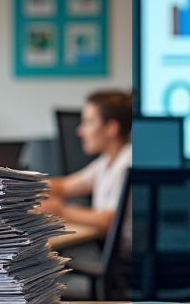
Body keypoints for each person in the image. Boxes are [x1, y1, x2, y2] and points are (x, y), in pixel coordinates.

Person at [39, 90, 132, 231]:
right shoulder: (106, 162)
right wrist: (25, 188)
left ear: (111, 128)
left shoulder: (128, 162)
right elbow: (64, 186)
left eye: (88, 122)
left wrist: (61, 211)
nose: (80, 131)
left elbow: (111, 219)